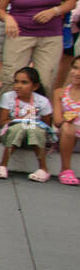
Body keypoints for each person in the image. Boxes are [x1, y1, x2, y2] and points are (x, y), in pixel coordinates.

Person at [0, 66, 55, 181]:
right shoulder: (8, 97)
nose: (18, 85)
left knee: (33, 128)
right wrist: (21, 120)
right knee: (19, 127)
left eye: (24, 82)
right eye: (16, 81)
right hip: (11, 135)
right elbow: (3, 122)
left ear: (35, 86)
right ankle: (3, 165)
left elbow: (46, 126)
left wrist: (30, 122)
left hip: (34, 138)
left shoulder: (42, 101)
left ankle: (43, 169)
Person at [54, 56, 80, 185]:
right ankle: (66, 170)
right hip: (69, 137)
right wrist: (68, 117)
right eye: (75, 68)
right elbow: (57, 121)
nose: (77, 73)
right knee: (67, 126)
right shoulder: (60, 93)